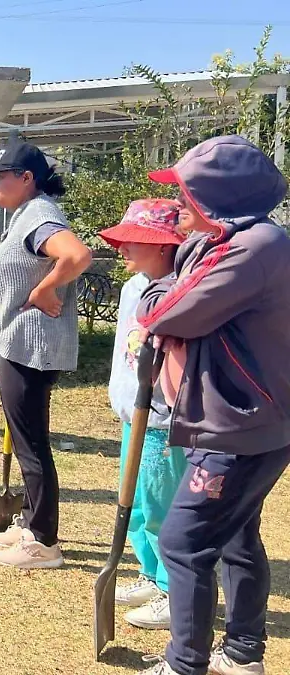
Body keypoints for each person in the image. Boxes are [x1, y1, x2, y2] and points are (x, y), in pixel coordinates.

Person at [135, 136, 290, 675]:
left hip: (240, 424)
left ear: (219, 194)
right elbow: (176, 292)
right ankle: (245, 654)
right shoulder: (224, 240)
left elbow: (169, 312)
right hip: (244, 420)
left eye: (186, 192)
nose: (178, 204)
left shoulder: (256, 248)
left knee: (183, 544)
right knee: (237, 535)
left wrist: (157, 298)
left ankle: (184, 665)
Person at [0, 139, 92, 569]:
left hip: (29, 348)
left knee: (32, 444)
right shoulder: (26, 215)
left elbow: (77, 255)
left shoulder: (40, 216)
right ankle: (31, 522)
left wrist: (44, 289)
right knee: (29, 439)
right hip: (20, 346)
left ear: (27, 179)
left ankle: (43, 541)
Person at [98, 199, 187, 632]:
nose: (123, 248)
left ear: (165, 247)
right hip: (134, 413)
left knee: (160, 505)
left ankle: (174, 590)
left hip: (163, 418)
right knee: (131, 503)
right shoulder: (134, 287)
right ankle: (150, 573)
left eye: (135, 241)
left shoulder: (181, 289)